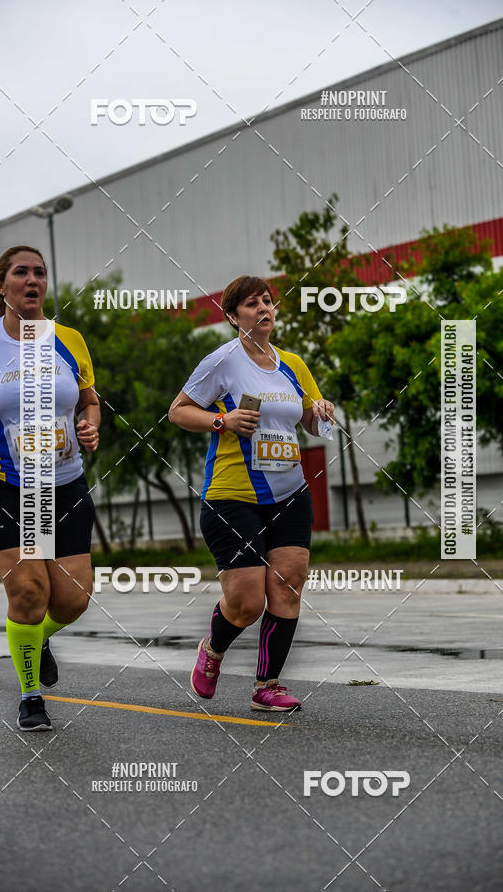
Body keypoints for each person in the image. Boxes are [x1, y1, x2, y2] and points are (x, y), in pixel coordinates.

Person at [0, 245, 99, 731]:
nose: (32, 280)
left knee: (72, 600)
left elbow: (89, 401)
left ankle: (35, 636)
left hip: (63, 483)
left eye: (40, 272)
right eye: (21, 273)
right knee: (29, 590)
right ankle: (30, 695)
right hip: (1, 484)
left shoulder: (69, 340)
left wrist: (89, 425)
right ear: (2, 286)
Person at [169, 275, 333, 712]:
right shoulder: (221, 361)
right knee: (246, 602)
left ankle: (269, 685)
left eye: (267, 301)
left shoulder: (293, 366)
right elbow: (178, 411)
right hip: (232, 495)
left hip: (290, 491)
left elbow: (313, 423)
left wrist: (321, 412)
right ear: (232, 317)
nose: (263, 308)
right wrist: (221, 422)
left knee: (289, 585)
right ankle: (213, 652)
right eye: (251, 303)